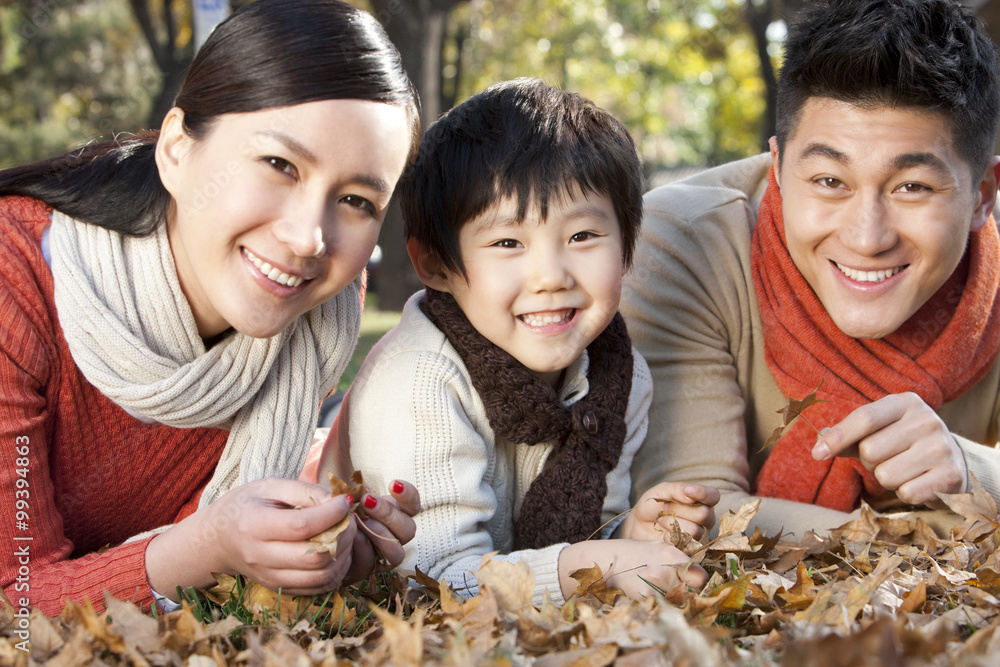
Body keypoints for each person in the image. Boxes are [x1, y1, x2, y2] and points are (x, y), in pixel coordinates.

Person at [0, 0, 423, 617]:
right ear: (175, 149)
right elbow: (16, 612)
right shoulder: (17, 278)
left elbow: (230, 508)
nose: (310, 238)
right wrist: (204, 549)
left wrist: (318, 544)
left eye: (357, 200)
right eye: (280, 165)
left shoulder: (320, 315)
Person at [318, 79, 719, 605]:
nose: (550, 276)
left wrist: (629, 538)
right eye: (508, 242)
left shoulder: (621, 376)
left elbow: (579, 538)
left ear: (626, 249)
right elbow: (428, 580)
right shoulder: (418, 380)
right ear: (436, 264)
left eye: (583, 237)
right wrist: (592, 564)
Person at [622, 0, 1000, 540]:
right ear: (777, 169)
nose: (867, 238)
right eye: (829, 181)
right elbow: (691, 517)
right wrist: (935, 528)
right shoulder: (685, 242)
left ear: (983, 196)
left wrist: (972, 471)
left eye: (912, 187)